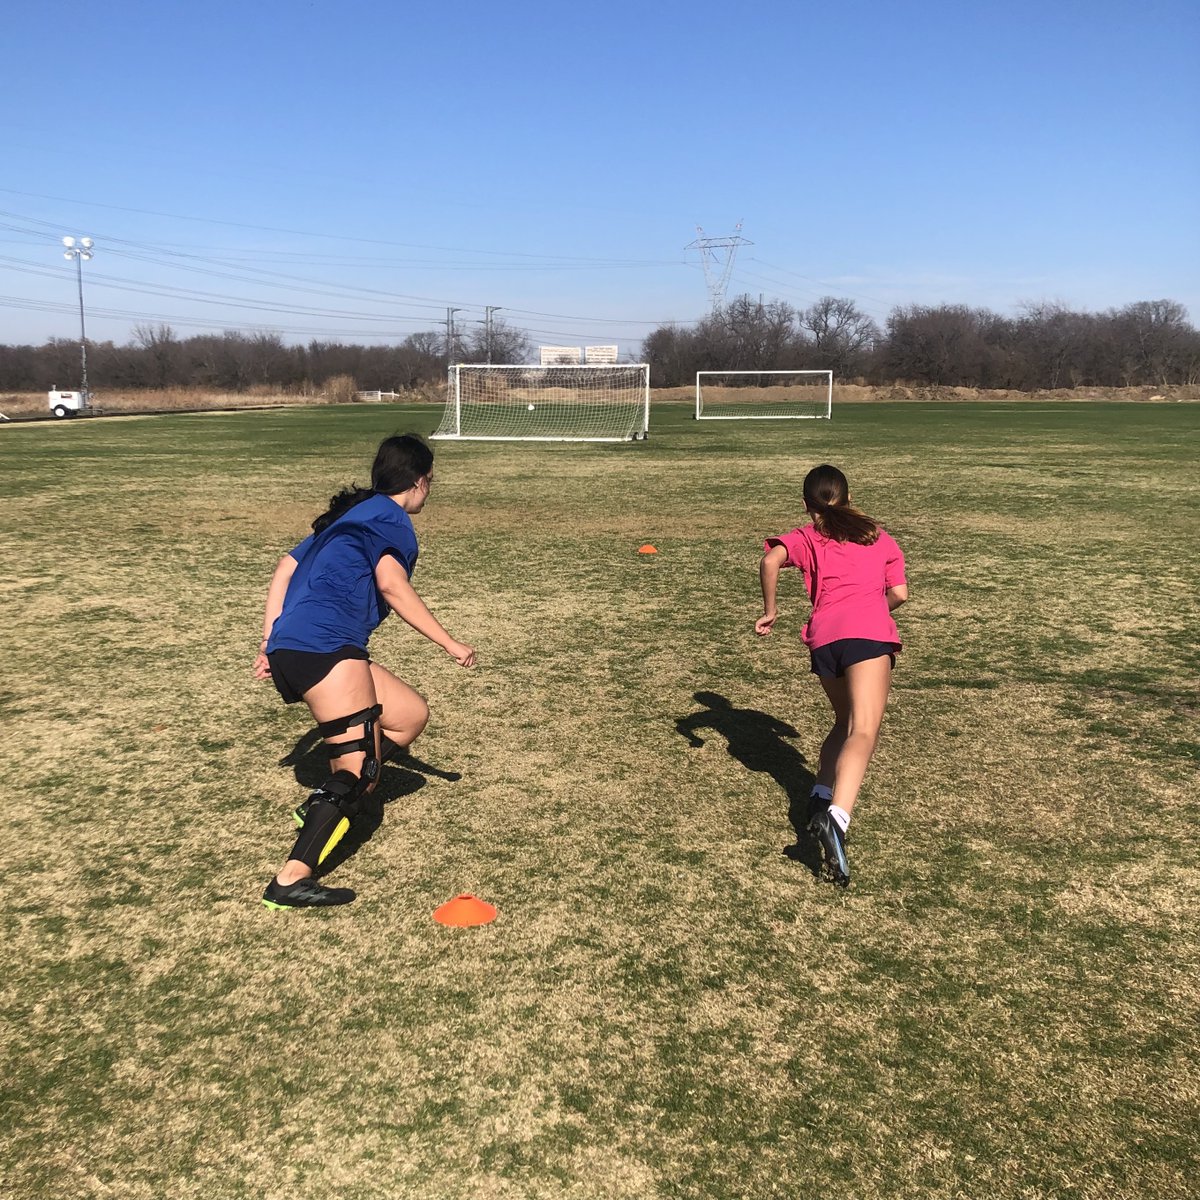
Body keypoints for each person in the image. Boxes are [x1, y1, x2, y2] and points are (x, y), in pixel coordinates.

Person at [253, 433, 476, 910]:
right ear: (419, 482)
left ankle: (329, 804)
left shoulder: (344, 518)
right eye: (429, 483)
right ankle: (292, 877)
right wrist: (450, 643)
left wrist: (270, 640)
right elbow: (392, 586)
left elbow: (284, 567)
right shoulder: (392, 521)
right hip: (327, 648)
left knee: (410, 714)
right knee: (359, 769)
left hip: (305, 645)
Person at [755, 464, 907, 887]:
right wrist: (871, 613)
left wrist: (771, 611)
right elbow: (899, 594)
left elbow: (770, 560)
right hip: (868, 639)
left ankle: (820, 796)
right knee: (864, 731)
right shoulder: (877, 535)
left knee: (843, 722)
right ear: (849, 496)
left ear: (807, 505)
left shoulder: (806, 537)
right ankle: (837, 820)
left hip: (824, 639)